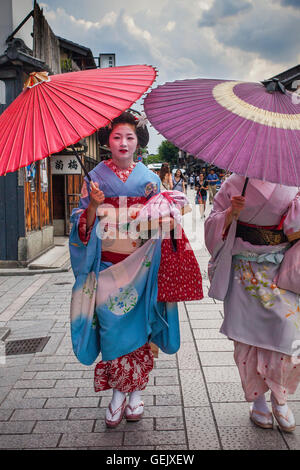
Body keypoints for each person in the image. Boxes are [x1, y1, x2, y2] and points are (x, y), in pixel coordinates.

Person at [69, 111, 203, 429]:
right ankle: (118, 394)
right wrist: (93, 205)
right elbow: (81, 226)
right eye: (117, 137)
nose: (123, 142)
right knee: (112, 333)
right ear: (107, 142)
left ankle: (135, 394)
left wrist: (167, 215)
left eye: (129, 137)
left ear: (138, 141)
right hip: (107, 267)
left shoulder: (149, 178)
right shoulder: (96, 177)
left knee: (142, 333)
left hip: (142, 265)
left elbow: (163, 220)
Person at [205, 174, 300, 432]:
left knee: (288, 332)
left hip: (279, 268)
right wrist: (229, 214)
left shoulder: (293, 181)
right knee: (247, 340)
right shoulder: (233, 183)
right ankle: (258, 400)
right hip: (243, 269)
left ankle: (279, 398)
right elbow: (211, 222)